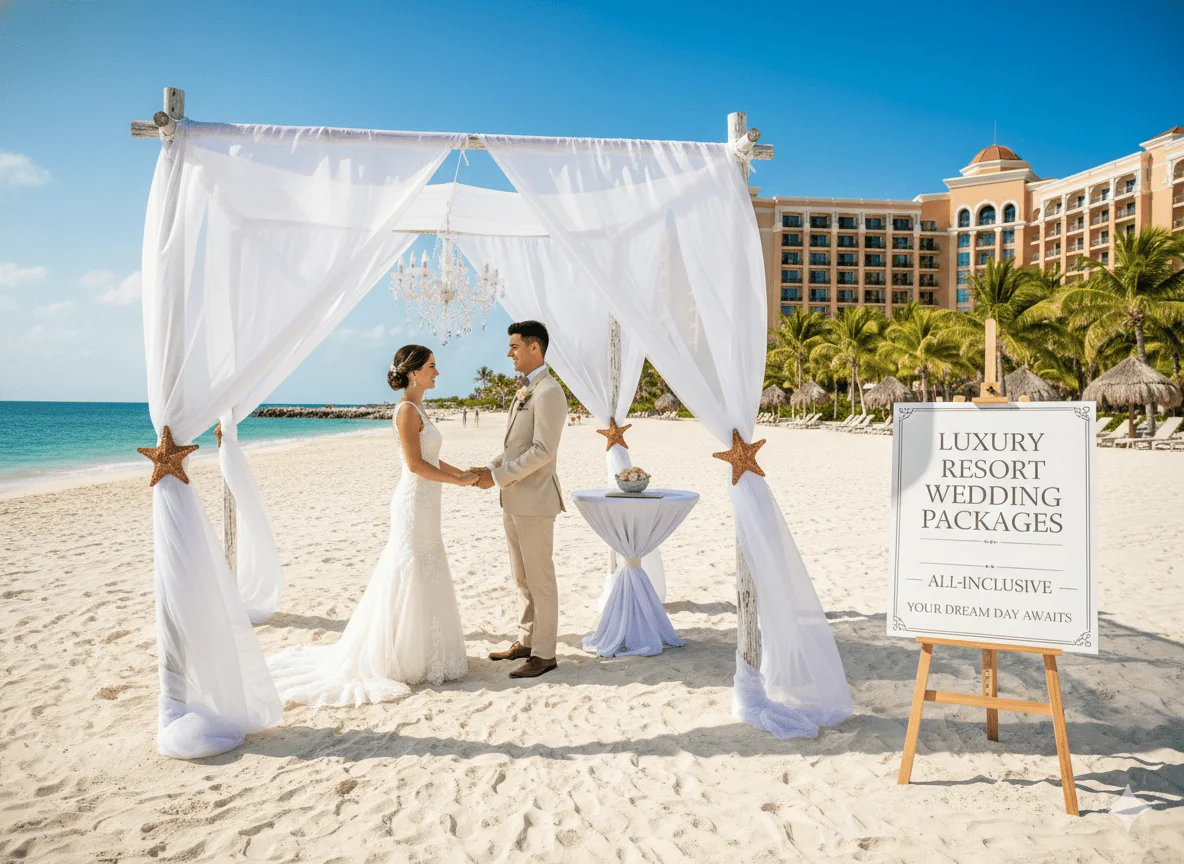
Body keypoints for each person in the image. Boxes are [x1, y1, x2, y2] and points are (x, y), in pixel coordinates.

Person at [267, 345, 476, 706]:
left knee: (428, 566)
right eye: (431, 366)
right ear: (413, 372)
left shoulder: (420, 407)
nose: (437, 373)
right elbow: (414, 465)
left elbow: (432, 457)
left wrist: (463, 472)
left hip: (429, 503)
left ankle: (427, 651)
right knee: (408, 569)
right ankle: (401, 655)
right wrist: (457, 482)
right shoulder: (407, 411)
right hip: (413, 502)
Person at [470, 321, 567, 679]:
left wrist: (496, 477)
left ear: (534, 349)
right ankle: (526, 641)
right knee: (522, 578)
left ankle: (545, 654)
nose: (509, 353)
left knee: (541, 579)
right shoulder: (525, 389)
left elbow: (543, 451)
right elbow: (515, 447)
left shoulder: (548, 392)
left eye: (514, 346)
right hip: (513, 500)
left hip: (536, 501)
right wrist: (490, 466)